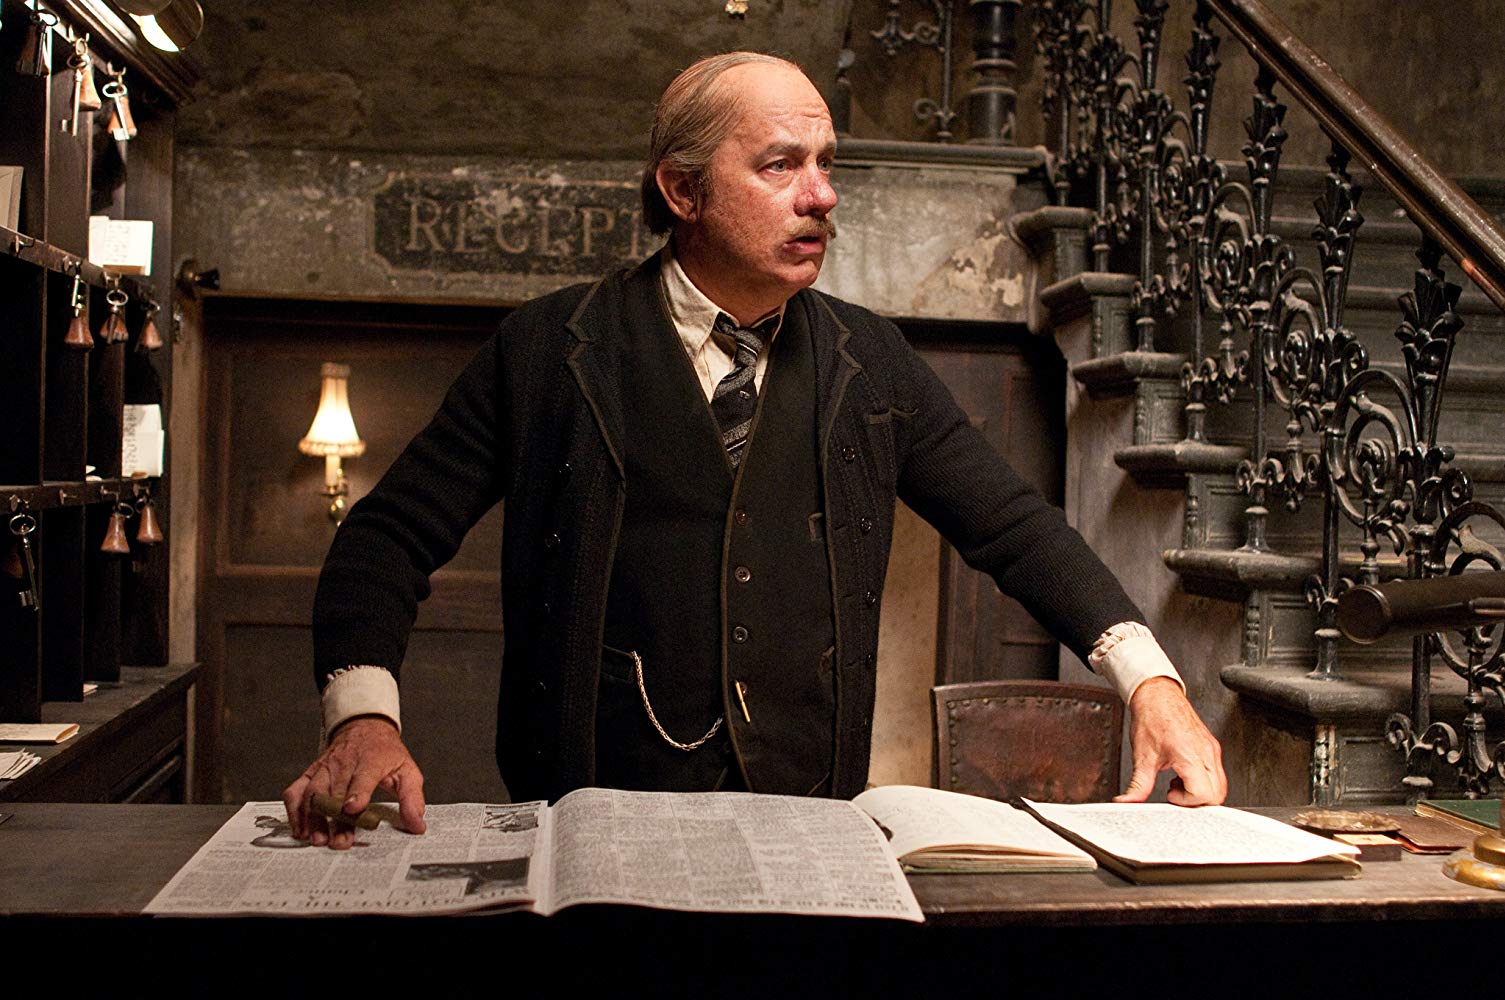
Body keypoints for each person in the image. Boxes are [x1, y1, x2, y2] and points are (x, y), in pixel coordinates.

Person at [284, 52, 1226, 850]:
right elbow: (388, 538)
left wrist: (1148, 681)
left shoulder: (871, 361)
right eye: (780, 165)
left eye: (825, 163)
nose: (821, 195)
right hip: (589, 816)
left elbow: (1013, 527)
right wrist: (362, 717)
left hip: (803, 820)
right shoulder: (547, 351)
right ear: (681, 190)